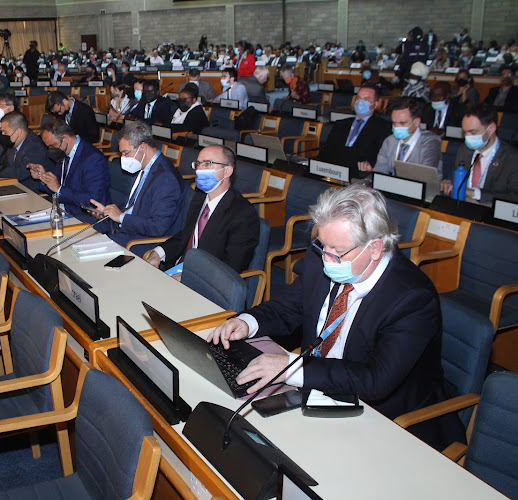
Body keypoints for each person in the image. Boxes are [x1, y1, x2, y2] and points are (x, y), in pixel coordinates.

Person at [208, 184, 464, 449]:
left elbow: (376, 380)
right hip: (317, 388)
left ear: (375, 248)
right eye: (323, 245)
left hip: (385, 418)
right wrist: (246, 322)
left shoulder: (411, 298)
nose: (327, 259)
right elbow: (288, 308)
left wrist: (290, 368)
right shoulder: (322, 255)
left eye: (337, 252)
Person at [146, 145, 259, 273]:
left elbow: (232, 266)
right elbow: (186, 236)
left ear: (227, 171)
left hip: (206, 280)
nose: (199, 169)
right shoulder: (199, 197)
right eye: (198, 164)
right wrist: (158, 253)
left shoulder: (243, 214)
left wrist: (188, 276)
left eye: (207, 164)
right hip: (177, 269)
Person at [88, 121, 184, 251]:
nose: (123, 157)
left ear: (143, 147)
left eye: (126, 153)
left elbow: (158, 227)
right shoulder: (146, 167)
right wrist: (107, 212)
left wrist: (121, 217)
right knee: (81, 239)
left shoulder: (166, 178)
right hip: (128, 231)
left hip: (142, 242)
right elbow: (134, 207)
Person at [28, 118, 110, 221]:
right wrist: (43, 177)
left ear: (65, 138)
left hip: (83, 216)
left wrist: (59, 189)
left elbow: (92, 200)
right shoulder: (62, 153)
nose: (51, 150)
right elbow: (57, 188)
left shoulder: (93, 159)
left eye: (53, 145)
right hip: (61, 210)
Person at [440, 103, 518, 204]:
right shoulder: (464, 149)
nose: (467, 137)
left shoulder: (512, 158)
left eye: (473, 132)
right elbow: (454, 178)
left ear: (491, 129)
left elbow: (515, 196)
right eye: (465, 132)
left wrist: (475, 193)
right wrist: (449, 184)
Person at [0, 111, 50, 192]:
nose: (2, 135)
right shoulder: (14, 142)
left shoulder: (35, 146)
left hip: (30, 192)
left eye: (5, 132)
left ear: (18, 132)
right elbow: (3, 161)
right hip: (13, 187)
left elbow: (19, 173)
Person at [370, 97, 443, 180]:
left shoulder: (430, 142)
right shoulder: (389, 141)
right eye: (394, 123)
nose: (396, 127)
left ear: (416, 122)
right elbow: (380, 171)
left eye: (402, 123)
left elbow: (425, 176)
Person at [320, 85, 389, 172]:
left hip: (359, 172)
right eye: (358, 98)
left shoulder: (383, 127)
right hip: (333, 169)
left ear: (375, 105)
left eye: (366, 99)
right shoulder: (341, 124)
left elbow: (379, 158)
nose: (361, 102)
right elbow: (327, 151)